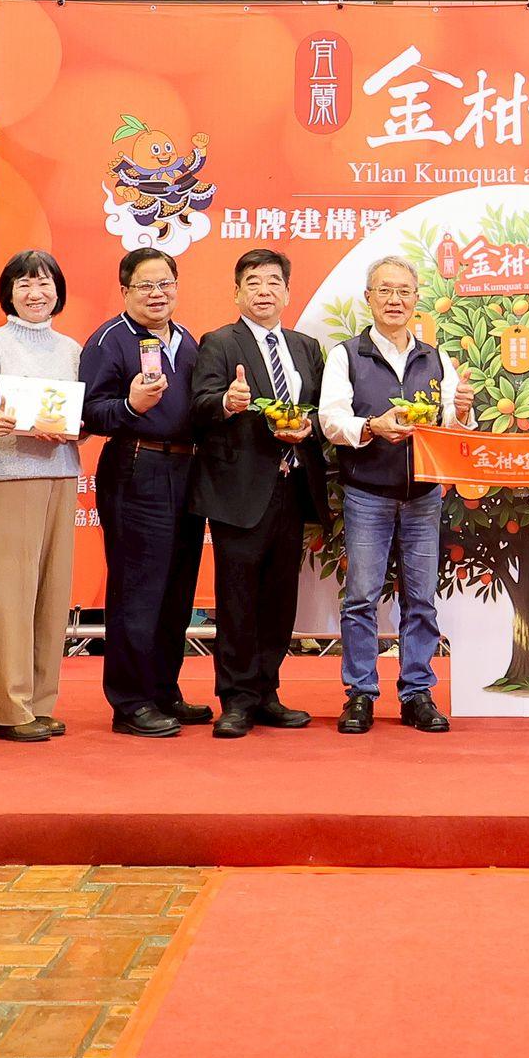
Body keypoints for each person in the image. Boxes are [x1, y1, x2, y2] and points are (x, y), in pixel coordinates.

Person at [317, 254, 476, 734]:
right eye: (384, 290)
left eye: (404, 291)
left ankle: (417, 693)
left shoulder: (436, 358)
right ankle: (360, 694)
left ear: (416, 299)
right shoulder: (347, 355)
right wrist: (372, 426)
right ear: (368, 298)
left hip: (424, 495)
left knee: (421, 599)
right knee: (361, 598)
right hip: (367, 492)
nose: (394, 299)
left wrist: (463, 410)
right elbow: (330, 420)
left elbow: (454, 428)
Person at [189, 248, 331, 736]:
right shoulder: (219, 343)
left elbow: (322, 410)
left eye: (273, 281)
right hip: (240, 491)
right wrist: (228, 402)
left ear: (288, 293)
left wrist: (308, 427)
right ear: (236, 293)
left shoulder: (306, 347)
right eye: (253, 282)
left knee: (279, 599)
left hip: (293, 487)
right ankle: (236, 698)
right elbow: (199, 405)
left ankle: (267, 691)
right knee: (237, 599)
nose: (264, 291)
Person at [81, 247, 212, 737]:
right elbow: (87, 411)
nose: (157, 294)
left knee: (177, 589)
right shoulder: (109, 340)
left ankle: (163, 690)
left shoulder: (188, 340)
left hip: (187, 470)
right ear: (125, 291)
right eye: (145, 286)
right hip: (137, 467)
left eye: (165, 284)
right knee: (138, 589)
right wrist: (131, 406)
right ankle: (130, 701)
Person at [0, 250, 82, 743]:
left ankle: (41, 703)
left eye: (45, 283)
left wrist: (75, 428)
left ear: (58, 291)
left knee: (53, 594)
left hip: (61, 473)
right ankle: (10, 709)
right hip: (10, 477)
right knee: (11, 594)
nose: (36, 293)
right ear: (9, 293)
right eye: (25, 284)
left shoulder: (72, 349)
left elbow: (83, 414)